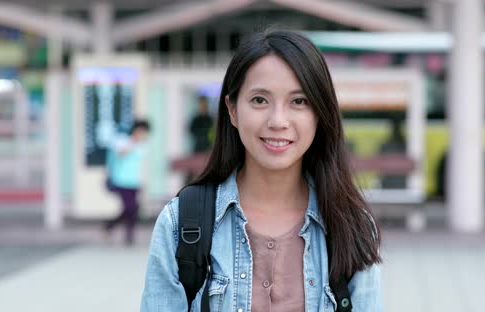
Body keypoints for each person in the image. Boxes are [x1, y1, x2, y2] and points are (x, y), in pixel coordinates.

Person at [141, 30, 382, 311]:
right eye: (259, 100)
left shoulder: (352, 225)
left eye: (299, 101)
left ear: (320, 113)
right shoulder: (179, 223)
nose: (278, 121)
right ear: (232, 109)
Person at [103, 120, 150, 245]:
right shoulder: (122, 140)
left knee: (133, 208)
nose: (143, 135)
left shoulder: (143, 145)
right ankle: (118, 229)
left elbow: (141, 164)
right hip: (121, 180)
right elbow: (121, 153)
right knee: (131, 207)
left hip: (134, 182)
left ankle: (124, 232)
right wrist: (133, 142)